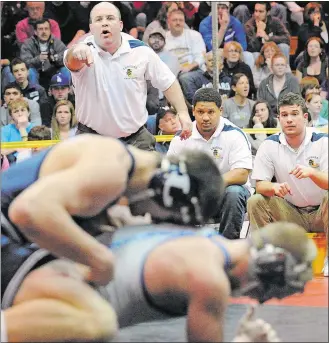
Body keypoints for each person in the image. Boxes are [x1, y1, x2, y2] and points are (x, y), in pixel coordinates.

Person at [1, 221, 316, 342]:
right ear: (269, 265)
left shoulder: (202, 238)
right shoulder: (209, 279)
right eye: (273, 289)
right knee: (100, 325)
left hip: (38, 270)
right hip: (40, 293)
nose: (262, 299)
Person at [1, 134, 224, 286]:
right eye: (161, 218)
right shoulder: (112, 170)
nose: (147, 217)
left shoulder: (116, 170)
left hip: (9, 228)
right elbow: (28, 209)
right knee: (88, 315)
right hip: (7, 224)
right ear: (170, 190)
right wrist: (100, 259)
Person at [64, 2, 192, 150]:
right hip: (91, 138)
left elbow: (168, 82)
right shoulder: (81, 50)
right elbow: (71, 61)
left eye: (110, 18)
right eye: (99, 19)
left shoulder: (141, 50)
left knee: (154, 172)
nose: (105, 23)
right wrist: (77, 52)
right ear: (91, 28)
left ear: (120, 25)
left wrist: (183, 112)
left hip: (136, 138)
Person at [247, 92, 328, 276]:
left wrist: (313, 173)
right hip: (292, 212)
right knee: (256, 201)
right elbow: (260, 185)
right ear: (278, 118)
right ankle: (265, 259)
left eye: (294, 114)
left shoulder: (323, 141)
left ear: (305, 117)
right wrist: (274, 187)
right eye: (284, 115)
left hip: (322, 214)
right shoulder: (269, 145)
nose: (289, 120)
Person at [168, 88, 252, 239]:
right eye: (200, 112)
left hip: (225, 193)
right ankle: (184, 244)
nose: (205, 117)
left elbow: (242, 174)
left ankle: (228, 247)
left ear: (220, 110)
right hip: (194, 194)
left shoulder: (235, 134)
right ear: (193, 111)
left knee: (235, 192)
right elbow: (170, 172)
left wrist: (210, 184)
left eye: (211, 112)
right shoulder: (181, 137)